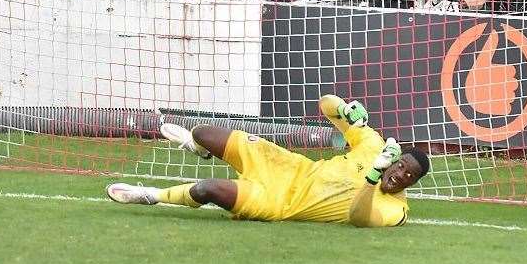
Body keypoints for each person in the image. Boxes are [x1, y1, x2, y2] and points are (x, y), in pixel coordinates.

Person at [106, 95, 430, 227]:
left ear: (411, 185)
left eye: (409, 177)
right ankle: (199, 148)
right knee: (204, 131)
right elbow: (325, 104)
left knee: (208, 190)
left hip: (279, 203)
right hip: (285, 166)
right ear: (395, 159)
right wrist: (345, 109)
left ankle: (151, 195)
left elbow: (359, 219)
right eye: (401, 166)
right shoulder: (373, 145)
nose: (401, 175)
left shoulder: (395, 210)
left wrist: (373, 177)